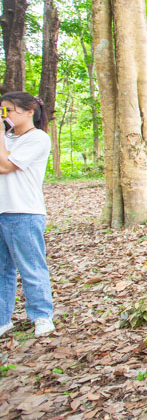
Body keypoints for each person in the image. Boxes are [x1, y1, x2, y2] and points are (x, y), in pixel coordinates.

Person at [0, 92, 54, 339]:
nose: (6, 116)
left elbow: (5, 166)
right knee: (2, 270)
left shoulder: (38, 139)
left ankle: (42, 316)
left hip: (23, 210)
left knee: (31, 267)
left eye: (9, 110)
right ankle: (3, 320)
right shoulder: (6, 138)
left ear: (29, 110)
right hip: (2, 209)